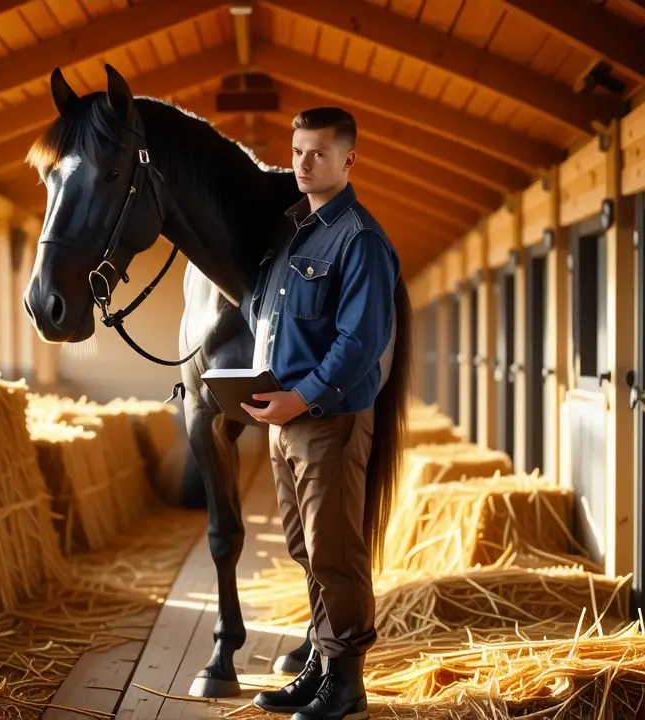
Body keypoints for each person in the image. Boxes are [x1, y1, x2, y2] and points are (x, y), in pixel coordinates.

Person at [241, 107, 400, 720]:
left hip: (327, 418)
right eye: (297, 151)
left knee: (335, 550)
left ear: (348, 160)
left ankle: (346, 682)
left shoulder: (359, 239)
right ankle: (321, 660)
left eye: (318, 154)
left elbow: (360, 342)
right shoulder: (293, 234)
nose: (303, 164)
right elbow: (272, 325)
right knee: (305, 547)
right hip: (285, 418)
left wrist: (299, 398)